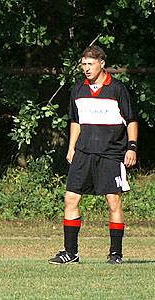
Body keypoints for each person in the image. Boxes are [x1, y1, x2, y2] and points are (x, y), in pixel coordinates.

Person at [48, 45, 138, 265]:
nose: (86, 68)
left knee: (113, 202)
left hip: (111, 153)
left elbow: (131, 120)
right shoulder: (78, 89)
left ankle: (115, 254)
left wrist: (132, 147)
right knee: (70, 198)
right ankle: (71, 252)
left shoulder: (117, 89)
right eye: (83, 64)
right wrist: (71, 147)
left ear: (102, 64)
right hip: (84, 152)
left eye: (90, 64)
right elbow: (76, 121)